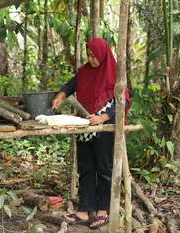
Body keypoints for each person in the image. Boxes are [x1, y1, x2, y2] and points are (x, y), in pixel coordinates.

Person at [51, 38, 131, 230]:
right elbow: (71, 85)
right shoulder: (85, 71)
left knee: (104, 168)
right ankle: (84, 210)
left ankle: (103, 211)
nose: (91, 59)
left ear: (103, 55)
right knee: (86, 168)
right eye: (89, 55)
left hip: (105, 129)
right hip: (85, 126)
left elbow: (124, 101)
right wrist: (60, 96)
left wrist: (103, 117)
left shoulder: (114, 73)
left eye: (94, 56)